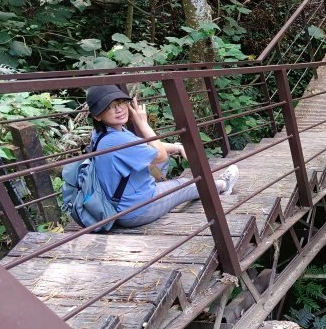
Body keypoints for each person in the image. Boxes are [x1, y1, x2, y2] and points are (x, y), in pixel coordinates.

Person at [86, 85, 239, 228]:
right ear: (97, 116)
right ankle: (222, 186)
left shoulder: (104, 133)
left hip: (121, 202)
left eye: (120, 103)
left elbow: (146, 148)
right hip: (136, 210)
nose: (119, 109)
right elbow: (160, 155)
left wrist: (177, 147)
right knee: (183, 184)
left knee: (161, 164)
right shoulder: (116, 139)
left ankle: (159, 190)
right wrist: (143, 123)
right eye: (110, 107)